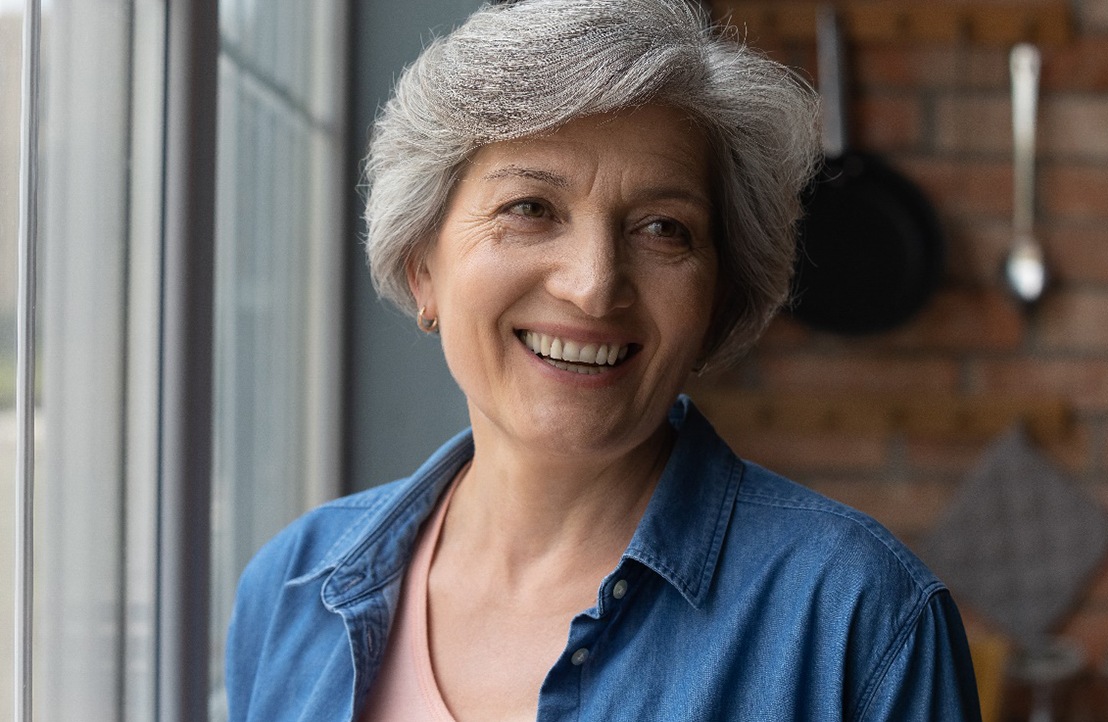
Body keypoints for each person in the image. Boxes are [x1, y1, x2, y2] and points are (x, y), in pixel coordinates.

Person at [225, 0, 980, 720]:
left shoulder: (862, 619)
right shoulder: (293, 589)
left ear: (719, 300)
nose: (593, 287)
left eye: (662, 227)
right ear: (423, 264)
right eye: (530, 208)